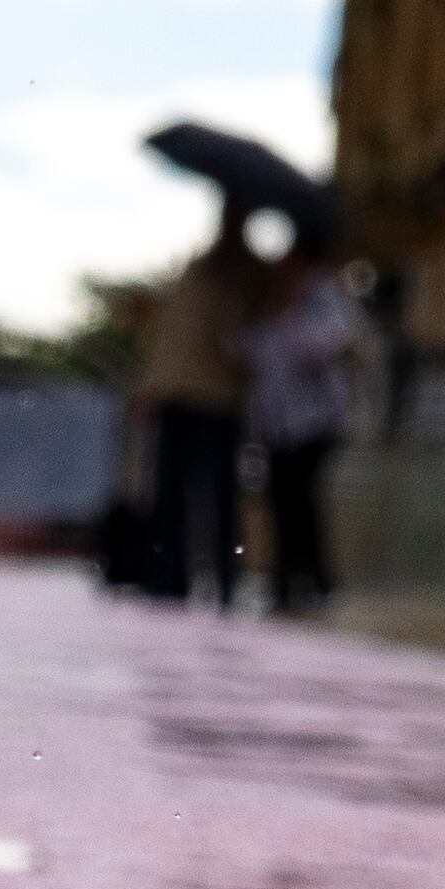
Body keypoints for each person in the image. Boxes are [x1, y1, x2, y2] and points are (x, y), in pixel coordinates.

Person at [132, 203, 279, 606]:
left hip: (218, 399)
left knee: (219, 494)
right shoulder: (197, 266)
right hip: (175, 394)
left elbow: (250, 333)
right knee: (168, 491)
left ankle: (225, 581)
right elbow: (169, 335)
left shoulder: (251, 272)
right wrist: (152, 386)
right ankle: (165, 578)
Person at [244, 253, 367, 614]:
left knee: (302, 500)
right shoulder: (267, 306)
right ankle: (283, 583)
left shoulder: (321, 298)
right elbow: (251, 353)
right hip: (276, 426)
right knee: (281, 502)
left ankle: (316, 581)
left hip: (316, 423)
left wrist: (291, 317)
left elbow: (330, 345)